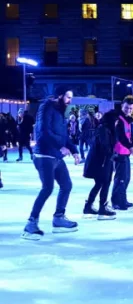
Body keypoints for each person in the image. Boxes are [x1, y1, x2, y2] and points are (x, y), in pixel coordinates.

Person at [22, 91, 80, 240]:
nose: (69, 100)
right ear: (59, 96)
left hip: (56, 156)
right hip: (44, 155)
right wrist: (59, 147)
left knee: (66, 185)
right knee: (47, 188)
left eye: (71, 98)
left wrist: (74, 150)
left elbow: (64, 137)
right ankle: (31, 223)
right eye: (67, 97)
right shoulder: (46, 107)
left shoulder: (60, 113)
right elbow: (43, 131)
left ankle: (59, 217)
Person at [82, 110, 119, 220]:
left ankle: (89, 206)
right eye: (116, 121)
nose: (117, 123)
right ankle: (102, 207)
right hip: (100, 162)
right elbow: (105, 146)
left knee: (100, 184)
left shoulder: (107, 129)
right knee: (104, 183)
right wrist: (114, 156)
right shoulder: (104, 129)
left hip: (102, 161)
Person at [111, 97, 133, 211]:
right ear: (122, 106)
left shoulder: (127, 119)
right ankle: (117, 202)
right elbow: (121, 136)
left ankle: (122, 199)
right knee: (121, 178)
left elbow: (131, 136)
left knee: (126, 177)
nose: (128, 110)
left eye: (130, 108)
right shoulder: (118, 119)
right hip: (119, 152)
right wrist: (131, 146)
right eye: (126, 107)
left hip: (125, 152)